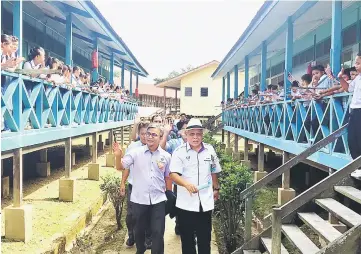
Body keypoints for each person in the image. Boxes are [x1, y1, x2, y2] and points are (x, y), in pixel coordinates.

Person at [113, 123, 173, 254]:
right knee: (139, 232)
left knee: (157, 232)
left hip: (158, 200)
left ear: (160, 137)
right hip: (139, 200)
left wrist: (169, 193)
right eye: (148, 134)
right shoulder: (135, 153)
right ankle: (141, 249)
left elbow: (168, 177)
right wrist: (118, 155)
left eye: (154, 135)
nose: (150, 137)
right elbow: (120, 167)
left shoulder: (166, 156)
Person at [170, 118, 222, 254]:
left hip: (205, 203)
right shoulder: (179, 152)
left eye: (198, 134)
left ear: (202, 135)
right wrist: (186, 184)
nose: (195, 137)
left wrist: (216, 188)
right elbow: (173, 174)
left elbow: (214, 170)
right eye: (192, 134)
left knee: (205, 239)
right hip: (185, 204)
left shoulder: (210, 150)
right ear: (186, 135)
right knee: (187, 241)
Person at [119, 122, 152, 248]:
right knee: (131, 215)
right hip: (134, 187)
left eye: (148, 134)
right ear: (139, 134)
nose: (145, 136)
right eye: (143, 134)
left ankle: (147, 239)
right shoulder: (133, 147)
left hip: (149, 188)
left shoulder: (155, 148)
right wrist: (123, 182)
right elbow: (126, 167)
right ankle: (131, 235)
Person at [338, 53, 361, 179]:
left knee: (359, 139)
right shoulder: (358, 78)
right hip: (354, 110)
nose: (355, 65)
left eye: (358, 63)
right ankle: (357, 166)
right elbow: (347, 89)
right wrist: (341, 78)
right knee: (352, 138)